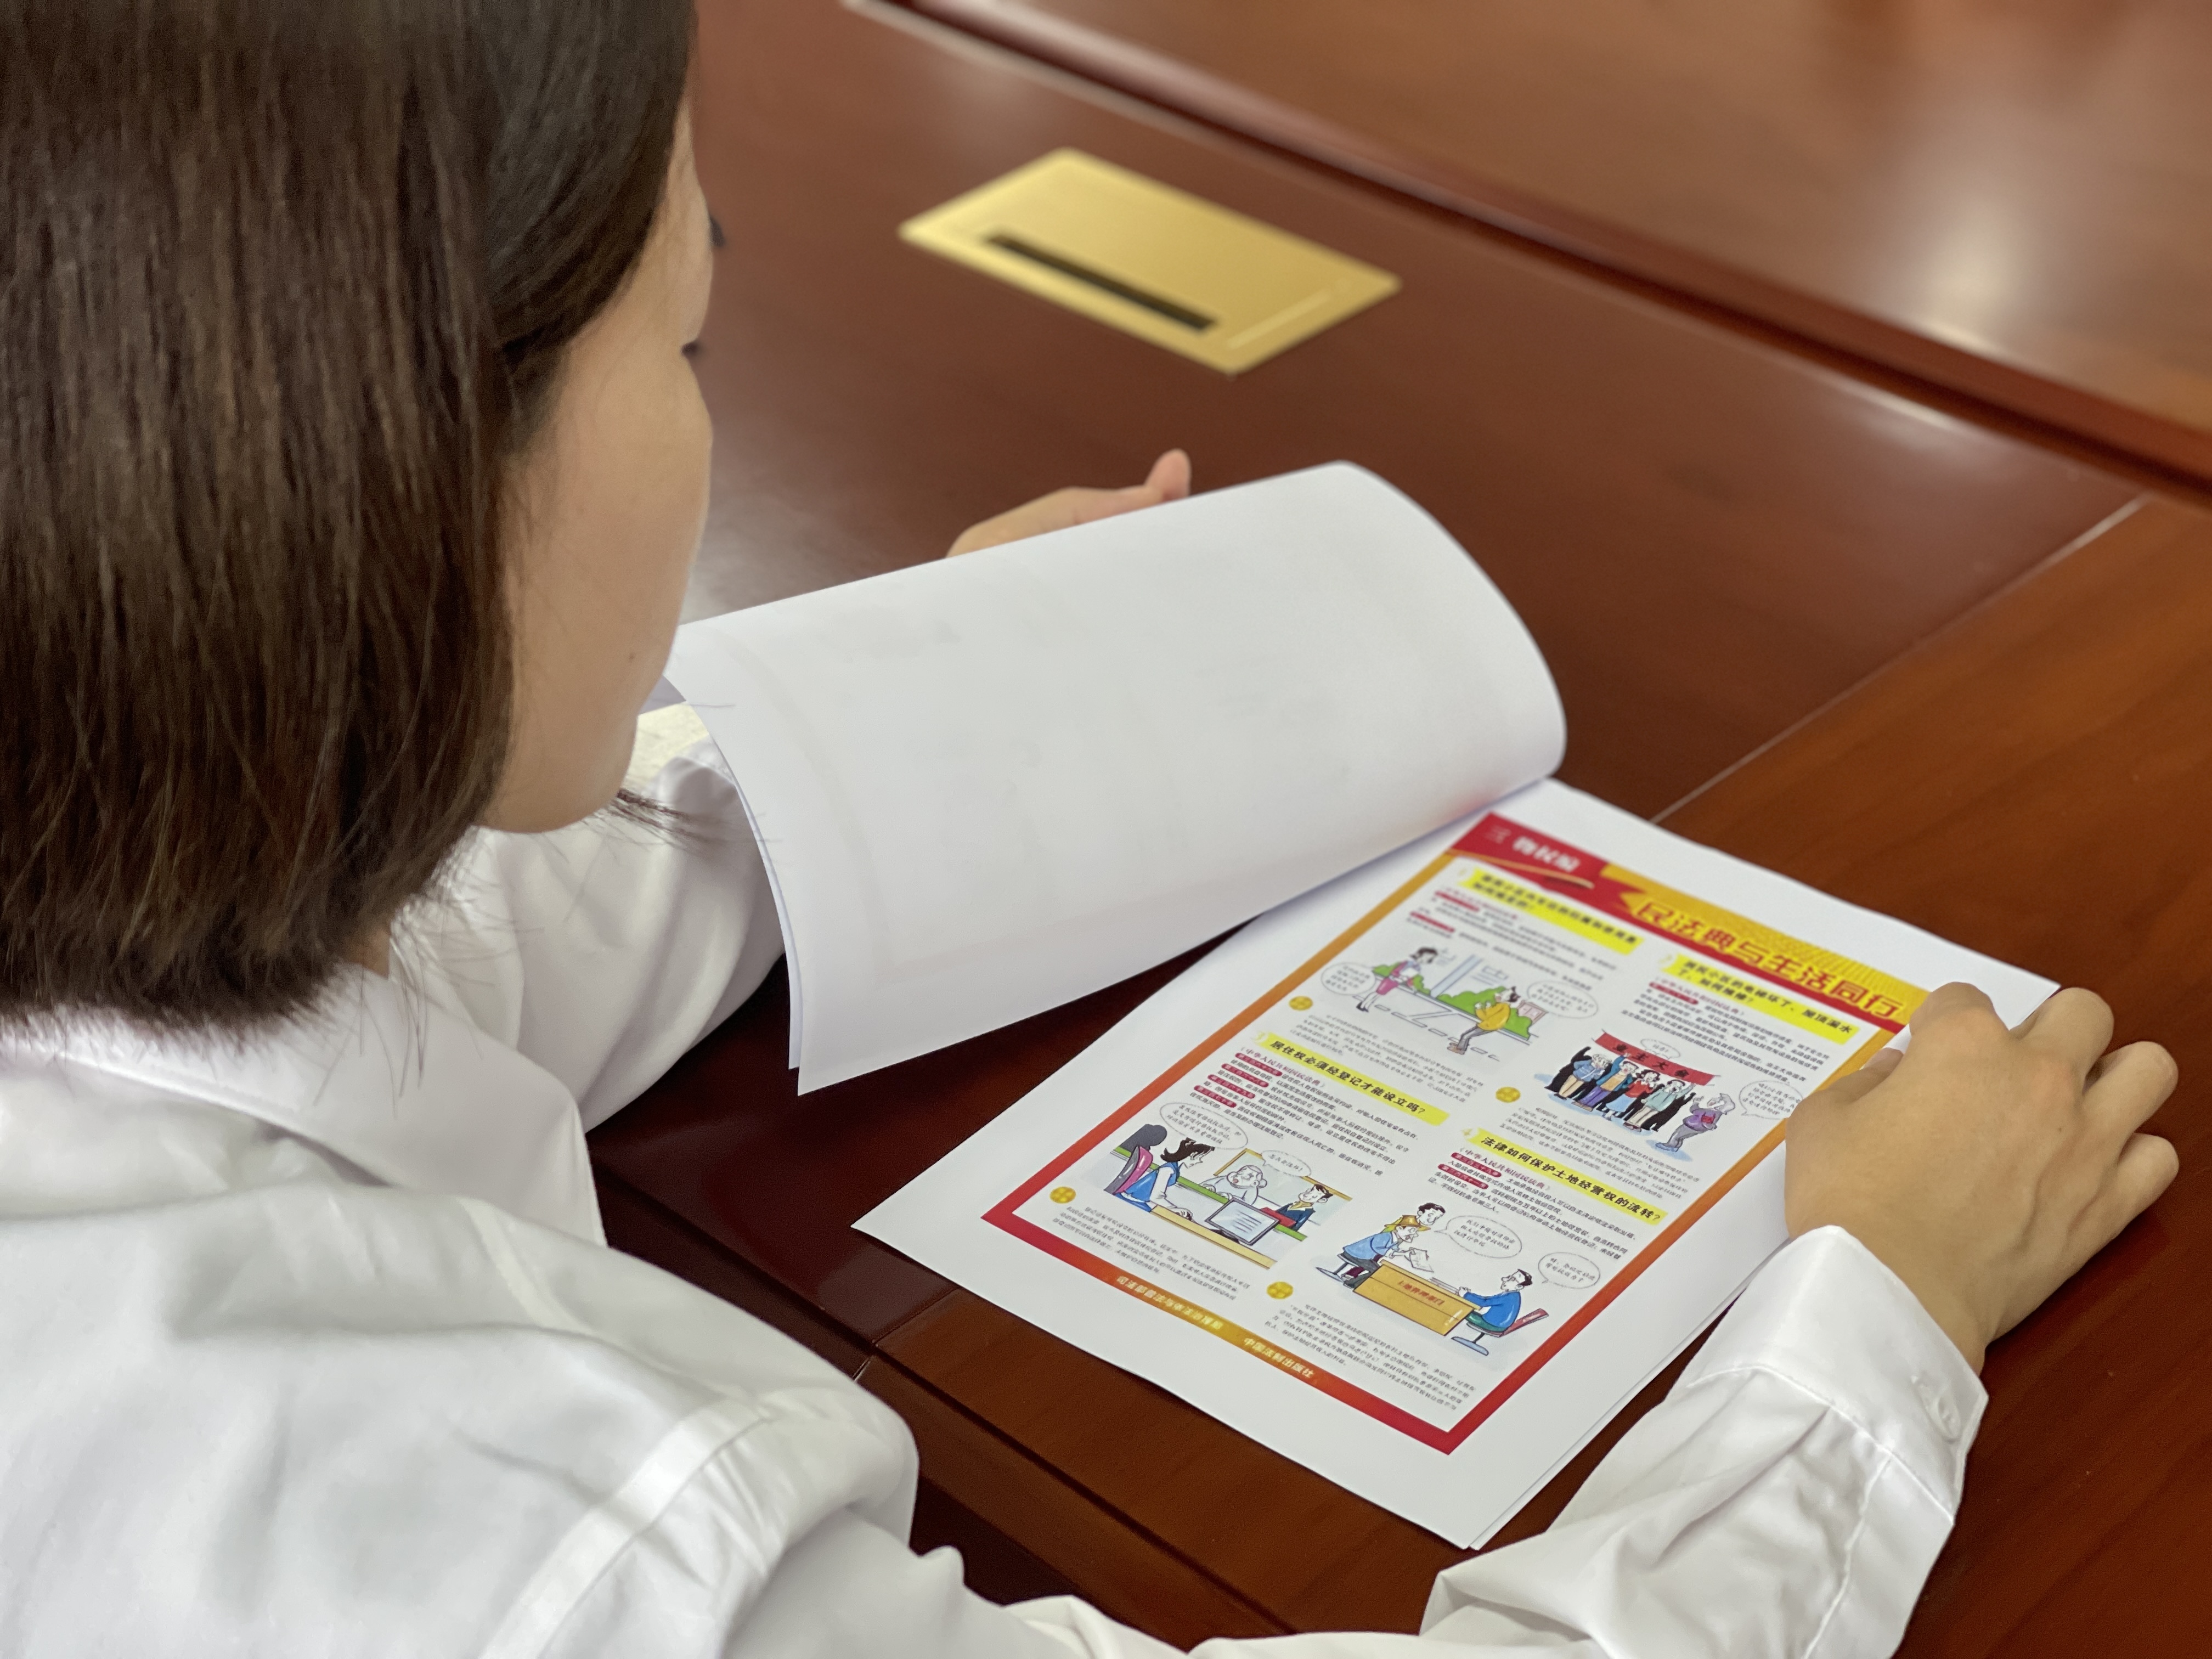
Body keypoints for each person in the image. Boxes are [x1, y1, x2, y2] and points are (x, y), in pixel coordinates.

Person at [0, 4, 2183, 1655]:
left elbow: (431, 956)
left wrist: (926, 713)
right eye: (688, 338)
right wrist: (1869, 1320)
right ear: (401, 487)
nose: (702, 405)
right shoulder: (526, 1544)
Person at [1330, 1205, 1446, 1285]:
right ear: (1421, 1213)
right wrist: (1392, 1248)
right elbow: (1387, 1236)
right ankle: (1351, 1277)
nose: (1432, 1219)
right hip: (1378, 1245)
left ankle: (1351, 1277)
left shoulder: (1418, 1227)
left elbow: (1400, 1241)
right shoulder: (1408, 1221)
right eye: (1430, 1215)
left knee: (1374, 1263)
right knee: (1372, 1262)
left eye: (1436, 1218)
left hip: (1390, 1243)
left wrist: (1406, 1252)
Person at [1450, 1269, 1540, 1353]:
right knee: (1467, 1310)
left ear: (1518, 1286)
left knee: (1464, 1311)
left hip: (1492, 1325)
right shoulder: (1510, 1294)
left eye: (1512, 1279)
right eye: (1509, 1277)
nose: (1505, 1279)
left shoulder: (1509, 1297)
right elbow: (1486, 1299)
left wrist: (1466, 1295)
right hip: (1495, 1324)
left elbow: (1485, 1302)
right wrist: (1469, 1295)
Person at [1359, 946, 1438, 1011]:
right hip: (1390, 980)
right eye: (1426, 957)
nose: (1426, 960)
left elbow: (1410, 979)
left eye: (1429, 959)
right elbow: (1395, 971)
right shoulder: (1408, 963)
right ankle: (1363, 1004)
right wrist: (1397, 977)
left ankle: (1366, 1006)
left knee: (1380, 995)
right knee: (1377, 993)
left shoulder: (1418, 968)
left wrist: (1411, 986)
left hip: (1395, 983)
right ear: (1419, 955)